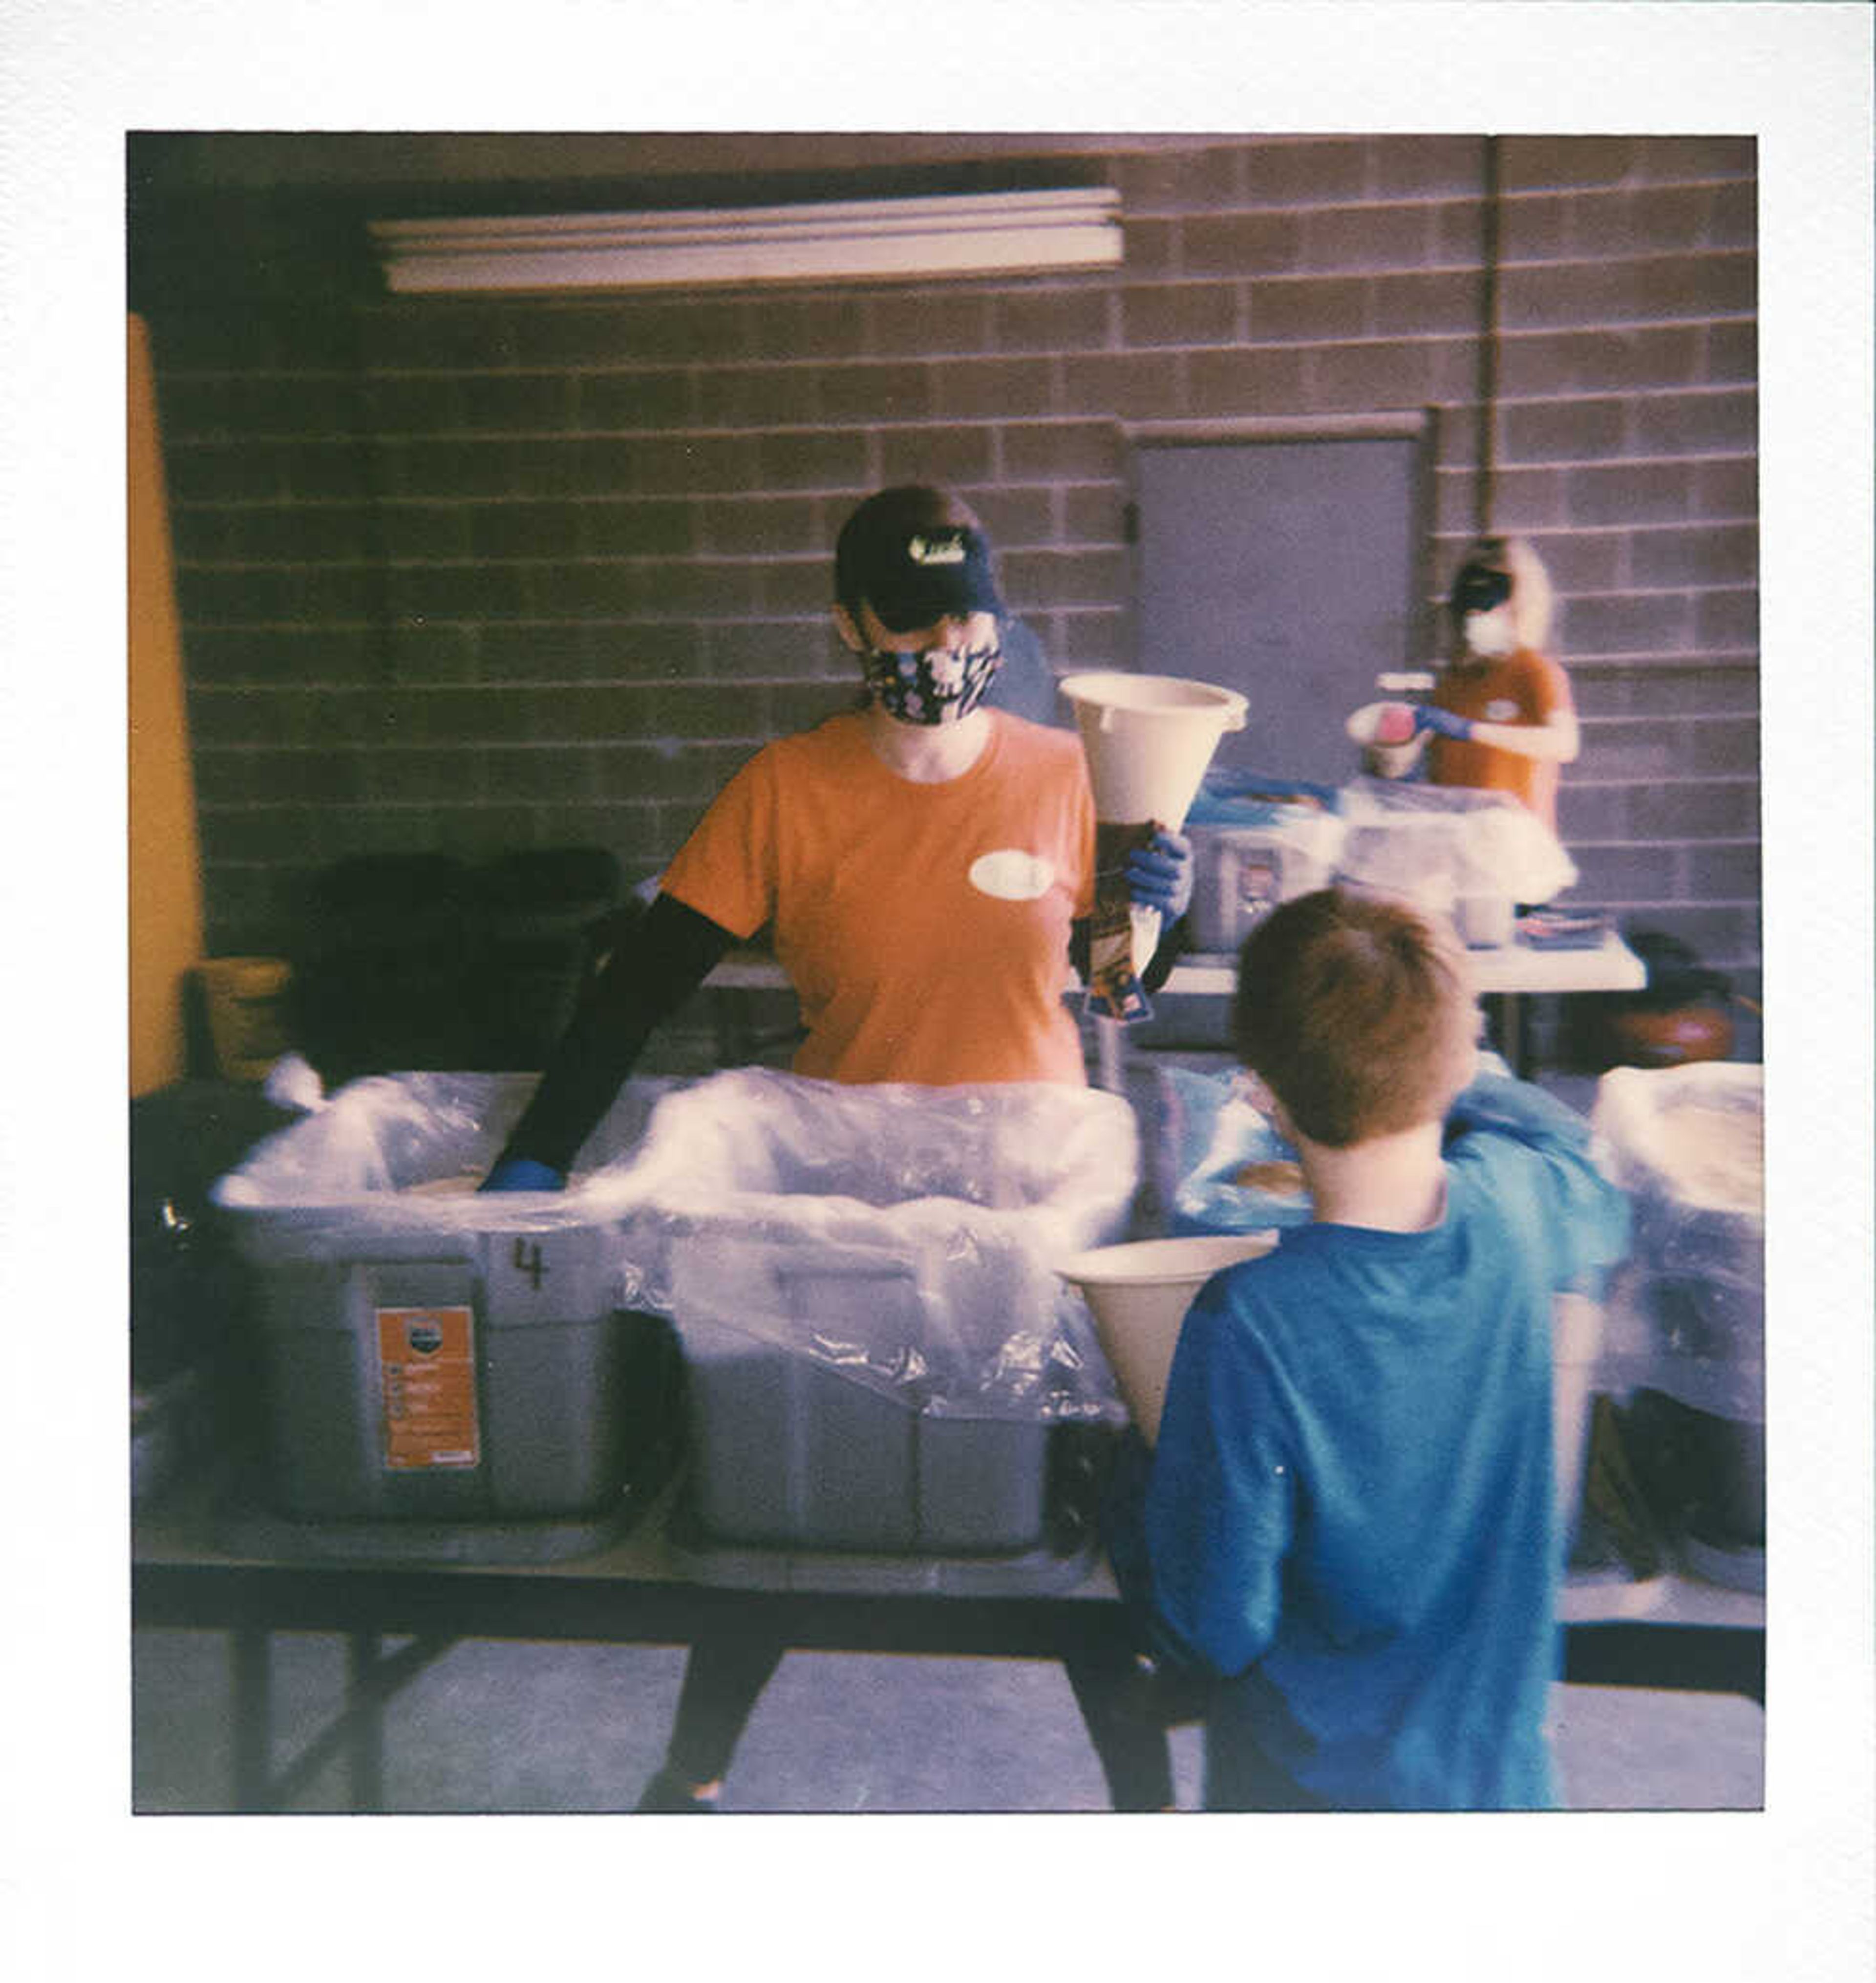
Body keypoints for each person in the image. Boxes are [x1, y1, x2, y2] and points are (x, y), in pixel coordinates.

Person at [481, 483, 1194, 1809]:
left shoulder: (1068, 776)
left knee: (1059, 1532)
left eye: (967, 616)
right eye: (911, 621)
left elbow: (1117, 985)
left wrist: (1165, 911)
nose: (944, 646)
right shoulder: (786, 791)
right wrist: (536, 1155)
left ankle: (1148, 1812)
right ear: (848, 624)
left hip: (1025, 1216)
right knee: (788, 1501)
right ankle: (692, 1777)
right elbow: (639, 987)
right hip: (839, 1215)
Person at [1108, 886, 1630, 1811]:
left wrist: (1134, 1493)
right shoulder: (1517, 1202)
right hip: (1498, 1779)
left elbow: (1217, 1627)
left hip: (1312, 1795)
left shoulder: (1252, 1320)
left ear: (1262, 1092)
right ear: (1461, 1057)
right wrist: (1459, 1073)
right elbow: (1584, 1169)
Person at [1363, 536, 1579, 834]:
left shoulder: (1535, 671)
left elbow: (1565, 744)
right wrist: (1393, 756)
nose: (1478, 612)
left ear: (1518, 602)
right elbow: (1437, 775)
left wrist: (1470, 730)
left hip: (1516, 850)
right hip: (1461, 847)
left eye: (1492, 594)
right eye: (1470, 597)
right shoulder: (1454, 682)